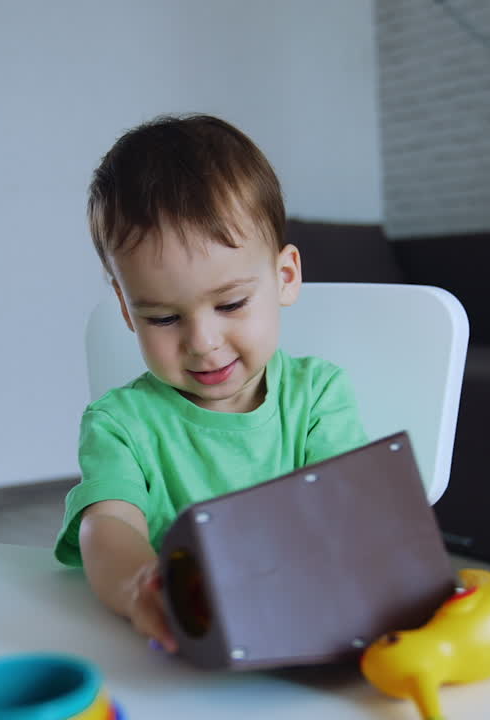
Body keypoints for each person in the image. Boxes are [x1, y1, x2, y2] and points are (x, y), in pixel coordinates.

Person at [53, 114, 368, 653]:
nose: (202, 341)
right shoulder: (120, 425)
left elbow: (351, 518)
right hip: (179, 649)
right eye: (162, 318)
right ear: (128, 309)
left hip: (308, 631)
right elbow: (106, 528)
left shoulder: (318, 395)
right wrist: (137, 590)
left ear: (285, 277)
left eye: (230, 304)